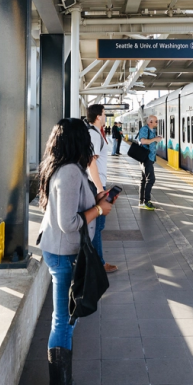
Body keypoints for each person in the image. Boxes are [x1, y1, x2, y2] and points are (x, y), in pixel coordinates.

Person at [37, 118, 113, 385]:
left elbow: (69, 208)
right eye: (86, 138)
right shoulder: (69, 173)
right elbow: (68, 224)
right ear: (76, 141)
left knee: (68, 320)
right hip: (63, 253)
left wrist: (95, 199)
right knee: (63, 322)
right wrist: (98, 210)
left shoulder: (68, 169)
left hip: (64, 252)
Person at [85, 105, 119, 273]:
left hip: (96, 184)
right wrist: (100, 189)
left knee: (97, 225)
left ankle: (95, 261)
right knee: (97, 225)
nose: (106, 116)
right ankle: (98, 263)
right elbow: (91, 164)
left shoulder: (96, 133)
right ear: (98, 116)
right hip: (95, 185)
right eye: (104, 114)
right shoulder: (93, 134)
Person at [136, 115, 162, 210]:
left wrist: (156, 139)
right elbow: (143, 141)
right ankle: (147, 201)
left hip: (150, 158)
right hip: (145, 158)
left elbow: (150, 142)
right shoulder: (144, 129)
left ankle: (142, 201)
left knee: (144, 179)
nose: (157, 123)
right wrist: (155, 139)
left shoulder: (152, 131)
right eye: (156, 121)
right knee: (151, 179)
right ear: (150, 122)